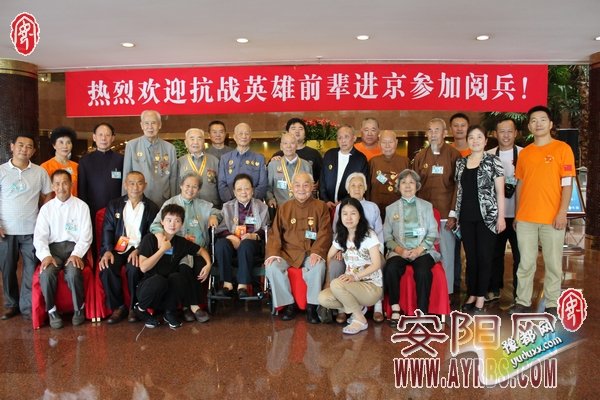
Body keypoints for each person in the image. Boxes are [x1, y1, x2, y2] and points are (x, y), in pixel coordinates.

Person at [510, 106, 575, 316]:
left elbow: (567, 183)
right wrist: (518, 214)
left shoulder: (562, 149)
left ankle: (552, 302)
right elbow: (520, 185)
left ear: (550, 124)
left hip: (552, 218)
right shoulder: (525, 153)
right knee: (526, 263)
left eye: (542, 119)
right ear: (529, 126)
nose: (538, 124)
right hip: (526, 218)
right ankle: (522, 301)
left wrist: (562, 212)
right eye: (534, 120)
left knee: (553, 263)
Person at [150, 172, 221, 323]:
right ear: (181, 185)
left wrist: (214, 216)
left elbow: (219, 213)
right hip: (178, 250)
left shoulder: (203, 205)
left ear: (199, 189)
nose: (190, 189)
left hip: (199, 249)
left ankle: (188, 307)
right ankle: (193, 307)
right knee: (184, 269)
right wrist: (160, 236)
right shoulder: (170, 203)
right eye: (187, 185)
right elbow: (155, 224)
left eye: (195, 187)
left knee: (199, 267)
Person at [265, 172, 332, 323]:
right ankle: (288, 305)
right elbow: (275, 233)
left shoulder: (321, 207)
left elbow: (325, 232)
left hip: (310, 251)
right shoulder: (284, 207)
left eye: (305, 185)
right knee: (272, 267)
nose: (301, 189)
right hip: (287, 253)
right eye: (297, 185)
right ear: (292, 187)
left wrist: (317, 252)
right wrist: (273, 253)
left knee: (318, 266)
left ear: (312, 187)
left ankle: (312, 307)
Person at [0, 134, 52, 320]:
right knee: (7, 270)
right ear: (12, 146)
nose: (24, 149)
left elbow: (48, 194)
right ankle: (11, 304)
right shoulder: (2, 171)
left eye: (29, 146)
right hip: (6, 231)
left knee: (30, 269)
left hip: (32, 231)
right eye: (20, 145)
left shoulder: (40, 172)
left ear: (34, 151)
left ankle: (27, 307)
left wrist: (42, 216)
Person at [135, 204, 212, 329]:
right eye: (169, 220)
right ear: (162, 222)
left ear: (181, 224)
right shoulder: (150, 239)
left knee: (178, 277)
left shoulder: (180, 242)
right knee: (159, 280)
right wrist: (162, 250)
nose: (172, 224)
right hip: (149, 289)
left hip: (167, 293)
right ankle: (140, 309)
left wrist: (208, 264)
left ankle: (169, 312)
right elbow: (143, 267)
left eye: (177, 221)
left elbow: (201, 250)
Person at [455, 126, 505, 314]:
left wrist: (501, 217)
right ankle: (472, 293)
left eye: (479, 137)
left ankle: (481, 297)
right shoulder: (461, 163)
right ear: (467, 141)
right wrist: (456, 215)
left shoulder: (493, 161)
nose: (475, 140)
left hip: (488, 218)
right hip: (466, 217)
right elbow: (459, 192)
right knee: (471, 258)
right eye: (471, 137)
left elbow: (500, 192)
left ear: (485, 141)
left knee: (484, 257)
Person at [33, 170, 93, 329]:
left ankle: (79, 309)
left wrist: (77, 254)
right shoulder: (46, 209)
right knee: (46, 273)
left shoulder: (81, 206)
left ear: (71, 184)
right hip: (53, 251)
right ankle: (52, 311)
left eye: (65, 183)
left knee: (73, 272)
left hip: (75, 249)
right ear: (52, 186)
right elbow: (39, 236)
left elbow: (86, 235)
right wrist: (45, 255)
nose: (61, 187)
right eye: (57, 184)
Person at [98, 171, 160, 324]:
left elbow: (151, 233)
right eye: (131, 183)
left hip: (139, 248)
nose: (135, 187)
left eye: (139, 183)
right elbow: (108, 229)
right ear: (125, 185)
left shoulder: (152, 207)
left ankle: (134, 308)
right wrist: (107, 251)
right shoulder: (114, 205)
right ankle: (118, 307)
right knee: (107, 267)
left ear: (145, 185)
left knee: (134, 268)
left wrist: (140, 250)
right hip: (118, 248)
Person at [383, 169, 440, 326]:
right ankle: (395, 308)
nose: (407, 186)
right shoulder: (390, 209)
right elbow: (387, 237)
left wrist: (419, 249)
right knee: (391, 268)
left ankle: (422, 312)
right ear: (398, 186)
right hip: (399, 250)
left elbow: (433, 232)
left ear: (417, 186)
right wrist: (400, 251)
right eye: (403, 182)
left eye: (411, 182)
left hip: (422, 250)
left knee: (423, 271)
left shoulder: (427, 206)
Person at [318, 198, 383, 334]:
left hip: (371, 287)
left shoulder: (369, 235)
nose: (348, 218)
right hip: (351, 286)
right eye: (344, 213)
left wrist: (355, 276)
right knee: (323, 298)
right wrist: (328, 282)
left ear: (360, 215)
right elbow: (329, 256)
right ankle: (358, 308)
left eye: (353, 213)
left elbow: (377, 264)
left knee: (337, 284)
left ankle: (360, 319)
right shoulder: (341, 236)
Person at [412, 118, 461, 296]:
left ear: (445, 133)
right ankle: (428, 293)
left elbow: (459, 186)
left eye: (437, 130)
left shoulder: (454, 155)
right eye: (430, 130)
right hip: (424, 217)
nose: (433, 134)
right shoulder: (420, 156)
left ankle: (446, 294)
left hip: (445, 215)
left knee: (447, 256)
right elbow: (413, 186)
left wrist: (453, 213)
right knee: (424, 255)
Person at [330, 172, 384, 323]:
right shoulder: (341, 207)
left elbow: (379, 233)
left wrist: (377, 252)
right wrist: (340, 249)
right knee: (335, 264)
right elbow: (337, 230)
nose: (357, 188)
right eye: (353, 185)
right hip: (347, 249)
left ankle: (378, 305)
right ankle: (342, 307)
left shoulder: (373, 207)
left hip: (371, 249)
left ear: (365, 188)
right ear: (348, 189)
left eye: (360, 185)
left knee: (379, 263)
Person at [214, 174, 269, 298]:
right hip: (232, 242)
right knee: (221, 244)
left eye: (247, 188)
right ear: (234, 192)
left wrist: (253, 236)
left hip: (252, 243)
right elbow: (220, 229)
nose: (243, 192)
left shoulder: (261, 206)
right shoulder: (227, 207)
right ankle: (227, 284)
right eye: (239, 189)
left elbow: (265, 229)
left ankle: (242, 286)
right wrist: (231, 236)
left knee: (246, 244)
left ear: (252, 190)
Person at [486, 118, 522, 302]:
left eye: (509, 131)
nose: (506, 135)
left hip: (520, 215)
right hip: (496, 216)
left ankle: (519, 293)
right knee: (495, 254)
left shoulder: (525, 154)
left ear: (515, 133)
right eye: (502, 131)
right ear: (495, 134)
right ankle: (494, 289)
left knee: (520, 256)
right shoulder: (488, 155)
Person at [122, 110, 177, 207]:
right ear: (141, 125)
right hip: (138, 199)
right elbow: (126, 175)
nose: (150, 127)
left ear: (159, 125)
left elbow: (173, 178)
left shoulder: (170, 148)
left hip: (163, 200)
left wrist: (174, 202)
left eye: (153, 123)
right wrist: (125, 202)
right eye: (146, 123)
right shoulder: (132, 146)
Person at [77, 122, 124, 222]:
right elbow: (82, 190)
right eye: (100, 135)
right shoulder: (85, 161)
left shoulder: (121, 160)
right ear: (94, 137)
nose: (103, 138)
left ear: (113, 138)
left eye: (107, 135)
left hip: (116, 210)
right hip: (92, 211)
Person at [320, 125, 369, 210]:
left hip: (349, 206)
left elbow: (362, 184)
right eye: (340, 137)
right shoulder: (329, 154)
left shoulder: (360, 159)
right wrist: (326, 200)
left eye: (346, 137)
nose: (343, 141)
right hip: (326, 206)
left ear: (354, 138)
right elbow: (322, 180)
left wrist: (344, 201)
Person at [218, 123, 267, 202]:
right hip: (230, 204)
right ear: (234, 137)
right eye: (240, 133)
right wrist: (233, 201)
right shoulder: (225, 158)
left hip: (253, 203)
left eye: (247, 134)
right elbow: (222, 184)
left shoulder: (259, 158)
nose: (244, 136)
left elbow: (262, 185)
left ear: (250, 137)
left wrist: (248, 199)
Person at [367, 130, 410, 219]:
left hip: (400, 210)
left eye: (390, 142)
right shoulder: (373, 162)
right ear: (379, 144)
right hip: (377, 210)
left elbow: (410, 187)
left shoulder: (405, 162)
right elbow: (367, 188)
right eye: (384, 142)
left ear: (396, 142)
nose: (387, 146)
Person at [272, 118, 323, 191]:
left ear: (305, 134)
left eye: (300, 128)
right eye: (293, 128)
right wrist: (274, 162)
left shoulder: (314, 154)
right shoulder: (278, 155)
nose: (297, 131)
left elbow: (323, 176)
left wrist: (318, 185)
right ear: (287, 132)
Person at [266, 132, 312, 209]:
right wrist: (270, 199)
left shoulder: (306, 165)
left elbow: (310, 189)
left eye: (292, 143)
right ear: (281, 146)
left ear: (296, 145)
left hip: (302, 208)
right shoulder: (273, 165)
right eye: (285, 143)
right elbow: (268, 188)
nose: (288, 146)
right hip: (280, 209)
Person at [177, 128, 220, 207]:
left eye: (199, 139)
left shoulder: (214, 160)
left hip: (211, 206)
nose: (195, 142)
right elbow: (177, 186)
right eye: (192, 139)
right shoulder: (180, 162)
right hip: (186, 207)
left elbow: (220, 185)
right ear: (186, 143)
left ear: (203, 142)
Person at [41, 126, 79, 196]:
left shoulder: (77, 166)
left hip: (74, 202)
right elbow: (43, 193)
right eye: (61, 142)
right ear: (54, 145)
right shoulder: (45, 167)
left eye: (68, 142)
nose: (65, 146)